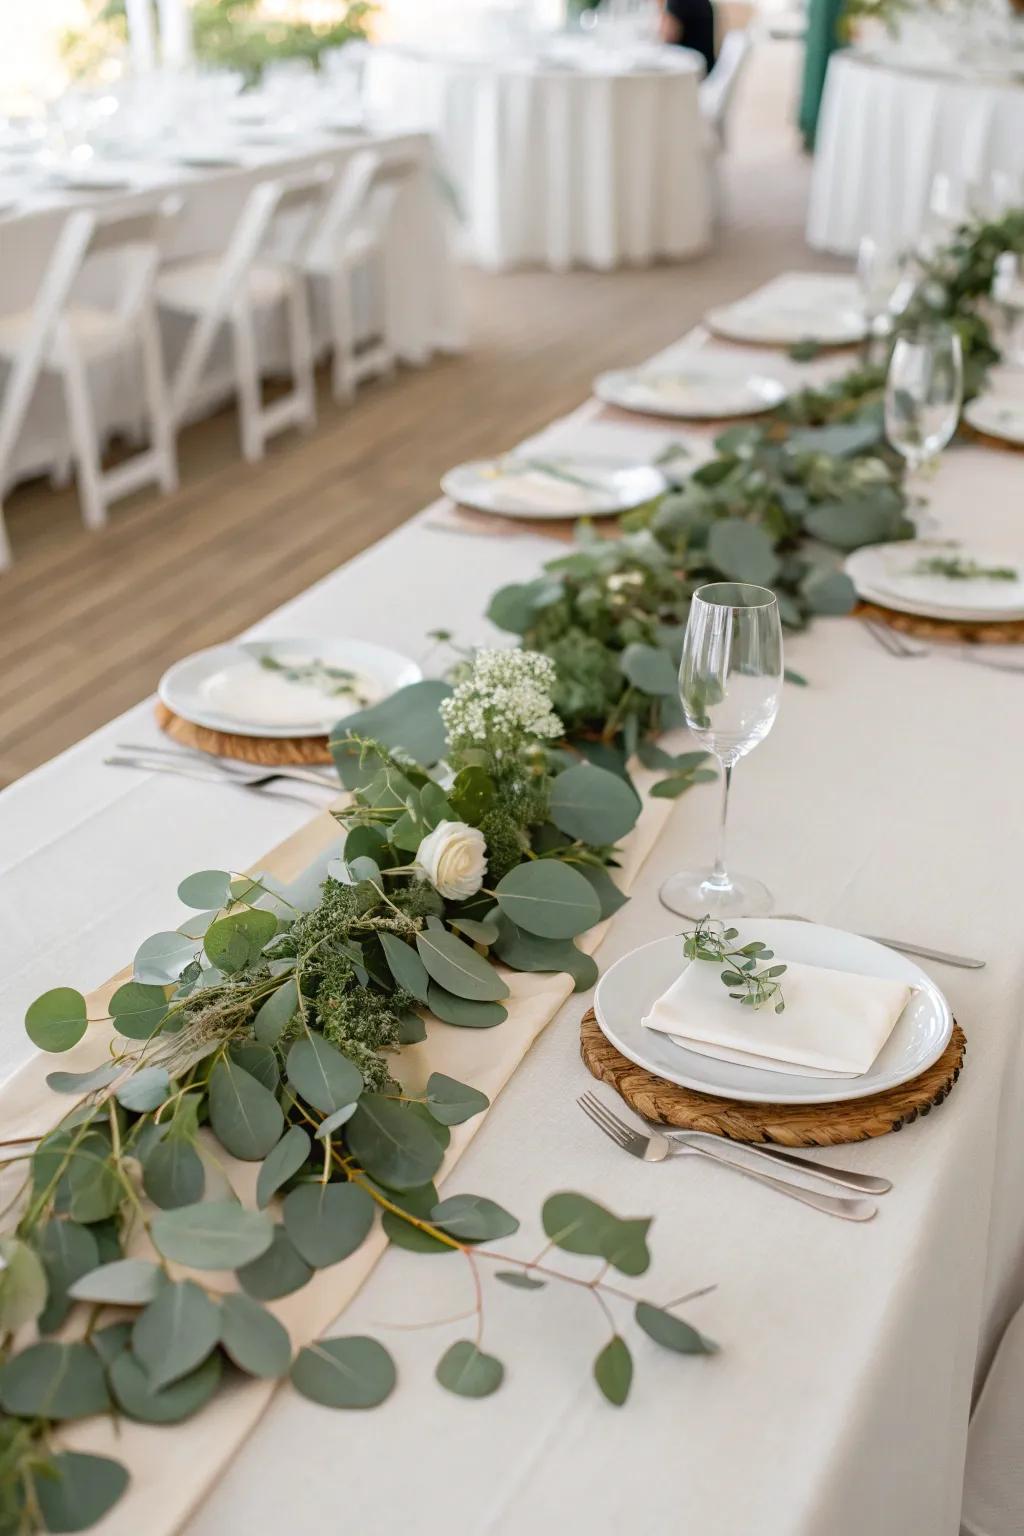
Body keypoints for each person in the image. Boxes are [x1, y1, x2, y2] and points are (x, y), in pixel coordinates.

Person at [659, 0, 716, 78]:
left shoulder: (677, 2)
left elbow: (668, 37)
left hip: (691, 75)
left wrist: (660, 7)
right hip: (706, 70)